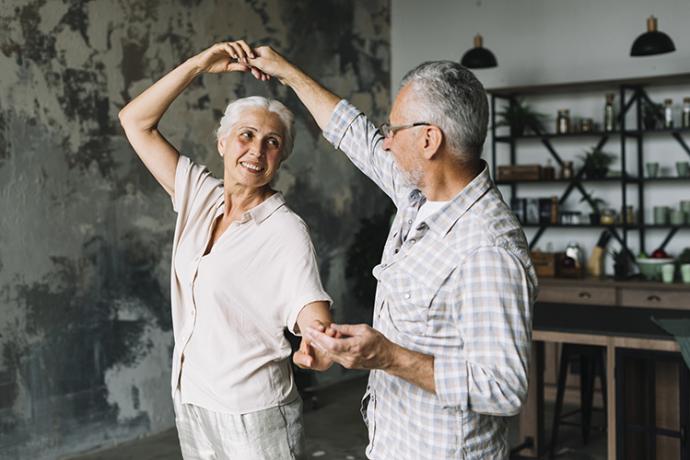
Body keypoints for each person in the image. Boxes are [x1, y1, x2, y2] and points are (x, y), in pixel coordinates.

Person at [250, 48, 538, 459]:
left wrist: (388, 356)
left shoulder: (487, 249)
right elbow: (354, 135)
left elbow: (504, 388)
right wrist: (285, 71)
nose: (385, 140)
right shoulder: (418, 194)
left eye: (394, 129)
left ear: (428, 139)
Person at [118, 40, 334, 460]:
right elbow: (134, 121)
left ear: (281, 157)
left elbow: (312, 312)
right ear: (222, 143)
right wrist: (198, 64)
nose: (256, 150)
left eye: (272, 142)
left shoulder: (285, 230)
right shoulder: (199, 194)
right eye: (246, 135)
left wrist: (317, 341)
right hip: (193, 401)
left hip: (252, 416)